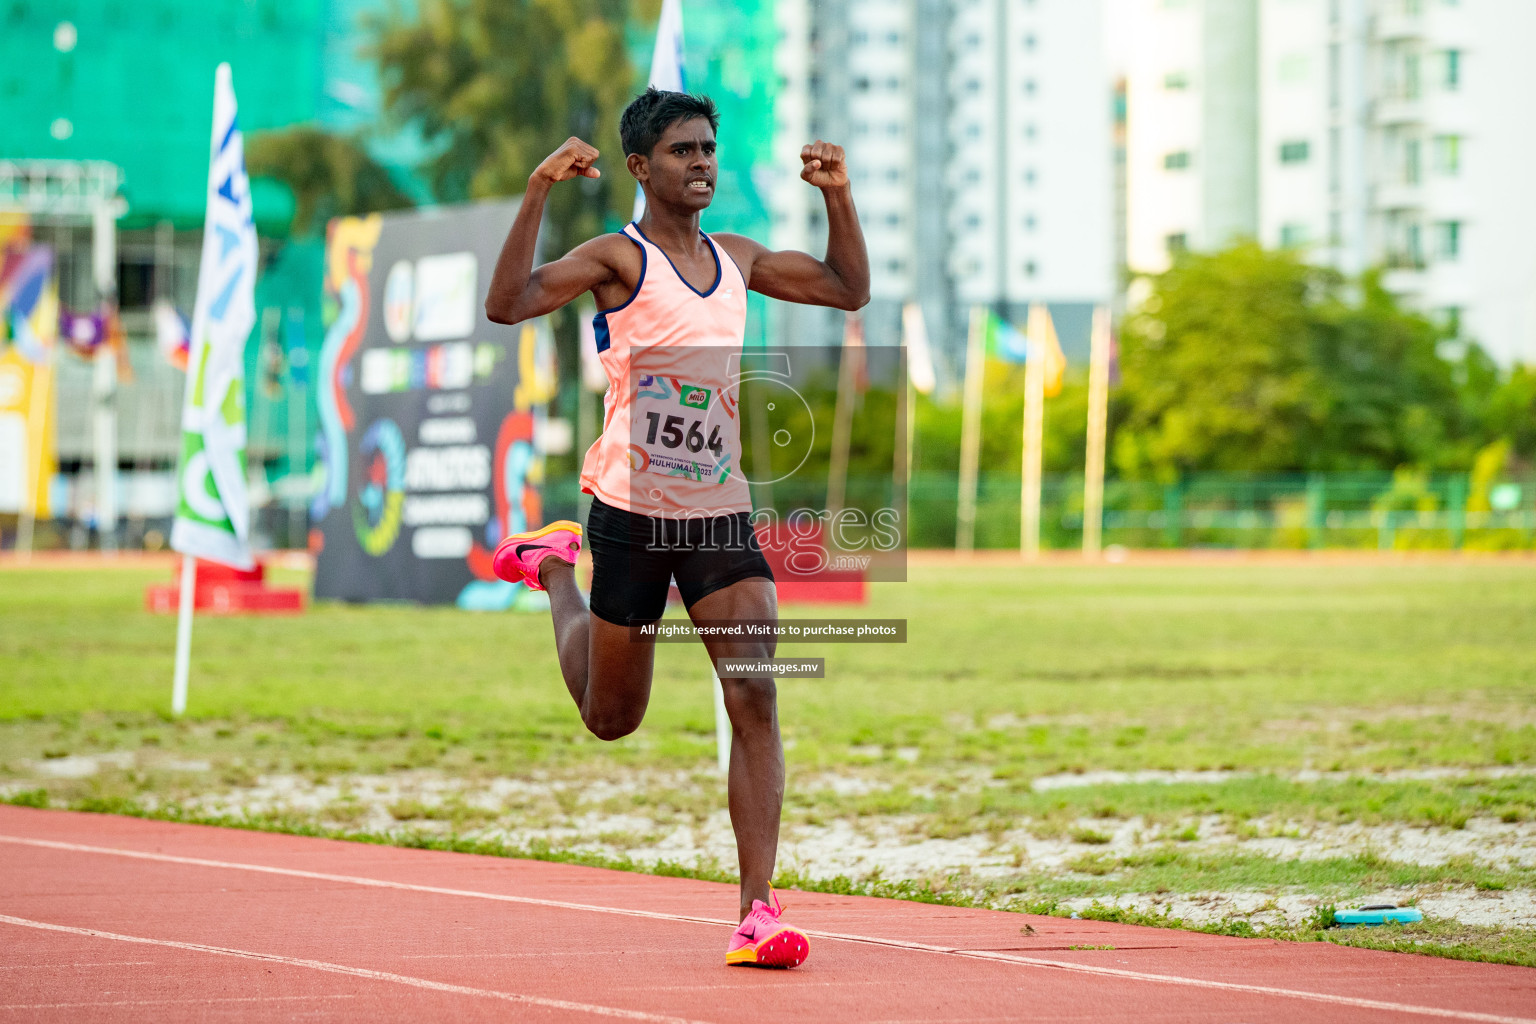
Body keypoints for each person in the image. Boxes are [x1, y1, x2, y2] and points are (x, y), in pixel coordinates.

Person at [484, 87, 868, 968]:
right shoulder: (617, 260)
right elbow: (508, 304)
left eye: (709, 150)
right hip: (628, 513)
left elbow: (848, 291)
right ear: (639, 168)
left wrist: (837, 194)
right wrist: (539, 188)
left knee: (755, 690)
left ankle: (757, 911)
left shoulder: (735, 258)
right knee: (610, 717)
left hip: (718, 511)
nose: (701, 163)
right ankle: (551, 569)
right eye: (683, 151)